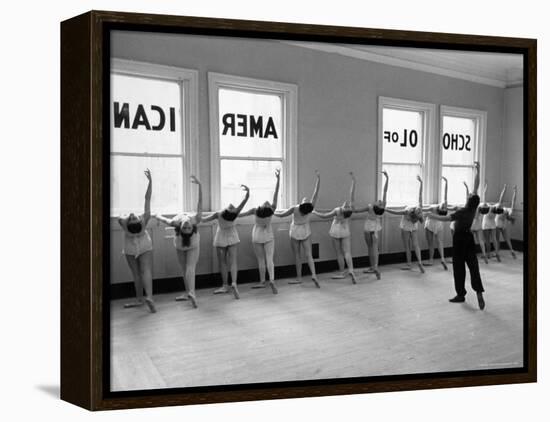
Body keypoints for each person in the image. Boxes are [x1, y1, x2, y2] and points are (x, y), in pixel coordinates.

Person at [428, 161, 485, 310]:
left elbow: (446, 219)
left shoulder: (462, 212)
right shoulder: (473, 210)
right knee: (473, 266)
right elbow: (476, 187)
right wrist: (478, 171)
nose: (470, 194)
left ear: (468, 200)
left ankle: (461, 294)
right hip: (469, 239)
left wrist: (431, 216)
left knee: (459, 267)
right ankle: (479, 290)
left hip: (459, 239)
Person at [153, 176, 203, 308]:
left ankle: (191, 292)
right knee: (185, 268)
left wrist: (156, 216)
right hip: (182, 243)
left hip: (191, 243)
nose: (186, 225)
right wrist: (200, 186)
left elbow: (162, 218)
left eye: (186, 227)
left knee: (189, 268)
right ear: (191, 228)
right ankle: (189, 293)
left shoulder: (175, 223)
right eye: (187, 227)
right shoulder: (195, 220)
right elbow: (200, 204)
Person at [116, 169, 156, 313]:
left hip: (130, 248)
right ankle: (149, 297)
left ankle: (140, 299)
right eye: (134, 217)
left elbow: (120, 217)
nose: (132, 215)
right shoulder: (144, 220)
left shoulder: (123, 223)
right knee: (146, 271)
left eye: (132, 217)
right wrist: (151, 182)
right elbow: (147, 199)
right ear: (139, 221)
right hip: (144, 245)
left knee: (137, 273)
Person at [202, 185, 250, 299]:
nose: (231, 205)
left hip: (221, 237)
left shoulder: (218, 214)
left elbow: (203, 220)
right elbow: (244, 201)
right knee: (233, 262)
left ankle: (225, 285)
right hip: (232, 236)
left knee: (222, 262)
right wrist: (248, 192)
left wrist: (194, 216)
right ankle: (234, 283)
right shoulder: (235, 213)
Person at [237, 169, 281, 294]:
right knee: (269, 259)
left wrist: (229, 214)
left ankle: (263, 282)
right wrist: (278, 179)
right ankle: (271, 280)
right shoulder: (271, 210)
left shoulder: (255, 210)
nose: (267, 202)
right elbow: (276, 194)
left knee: (261, 260)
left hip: (257, 236)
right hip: (268, 236)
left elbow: (240, 214)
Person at [275, 171, 320, 288]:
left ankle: (299, 278)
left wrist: (271, 212)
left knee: (297, 255)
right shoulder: (311, 208)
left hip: (295, 231)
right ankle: (314, 275)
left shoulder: (295, 208)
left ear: (302, 203)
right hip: (305, 230)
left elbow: (281, 215)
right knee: (309, 255)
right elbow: (315, 194)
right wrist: (318, 179)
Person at [313, 172, 357, 284]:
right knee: (347, 252)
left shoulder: (337, 210)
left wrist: (314, 212)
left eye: (346, 204)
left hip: (336, 231)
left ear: (344, 207)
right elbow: (352, 194)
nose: (346, 202)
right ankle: (351, 270)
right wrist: (353, 181)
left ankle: (342, 272)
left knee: (339, 252)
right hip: (345, 231)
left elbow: (323, 216)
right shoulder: (350, 211)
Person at [353, 170, 389, 280]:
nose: (379, 200)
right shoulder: (381, 208)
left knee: (372, 248)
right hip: (373, 228)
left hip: (369, 228)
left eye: (379, 202)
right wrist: (387, 178)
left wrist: (352, 204)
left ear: (377, 206)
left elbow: (356, 211)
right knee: (372, 248)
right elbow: (385, 191)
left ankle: (375, 267)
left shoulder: (370, 207)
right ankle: (373, 266)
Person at [386, 175, 425, 273]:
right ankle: (419, 262)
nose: (419, 208)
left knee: (408, 246)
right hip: (413, 228)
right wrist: (421, 183)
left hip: (406, 229)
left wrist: (386, 209)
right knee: (416, 245)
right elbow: (420, 195)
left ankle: (409, 264)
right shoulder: (418, 212)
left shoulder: (407, 211)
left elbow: (395, 212)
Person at [422, 176, 450, 270]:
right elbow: (445, 195)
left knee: (433, 243)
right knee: (438, 243)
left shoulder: (434, 208)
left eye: (443, 207)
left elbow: (423, 209)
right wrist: (446, 183)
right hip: (437, 225)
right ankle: (439, 259)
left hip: (431, 225)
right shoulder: (443, 207)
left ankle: (434, 259)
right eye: (444, 206)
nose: (443, 205)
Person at [495, 184, 518, 259]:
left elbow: (501, 198)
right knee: (507, 239)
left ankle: (497, 253)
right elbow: (513, 201)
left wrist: (504, 189)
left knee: (497, 239)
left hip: (498, 223)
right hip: (503, 224)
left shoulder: (501, 208)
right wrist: (515, 191)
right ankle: (512, 250)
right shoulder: (508, 210)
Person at [481, 182, 501, 262]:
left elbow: (484, 196)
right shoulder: (496, 210)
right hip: (492, 224)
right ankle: (497, 253)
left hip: (486, 224)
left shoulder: (489, 207)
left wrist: (486, 187)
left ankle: (488, 254)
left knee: (487, 240)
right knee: (494, 239)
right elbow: (500, 200)